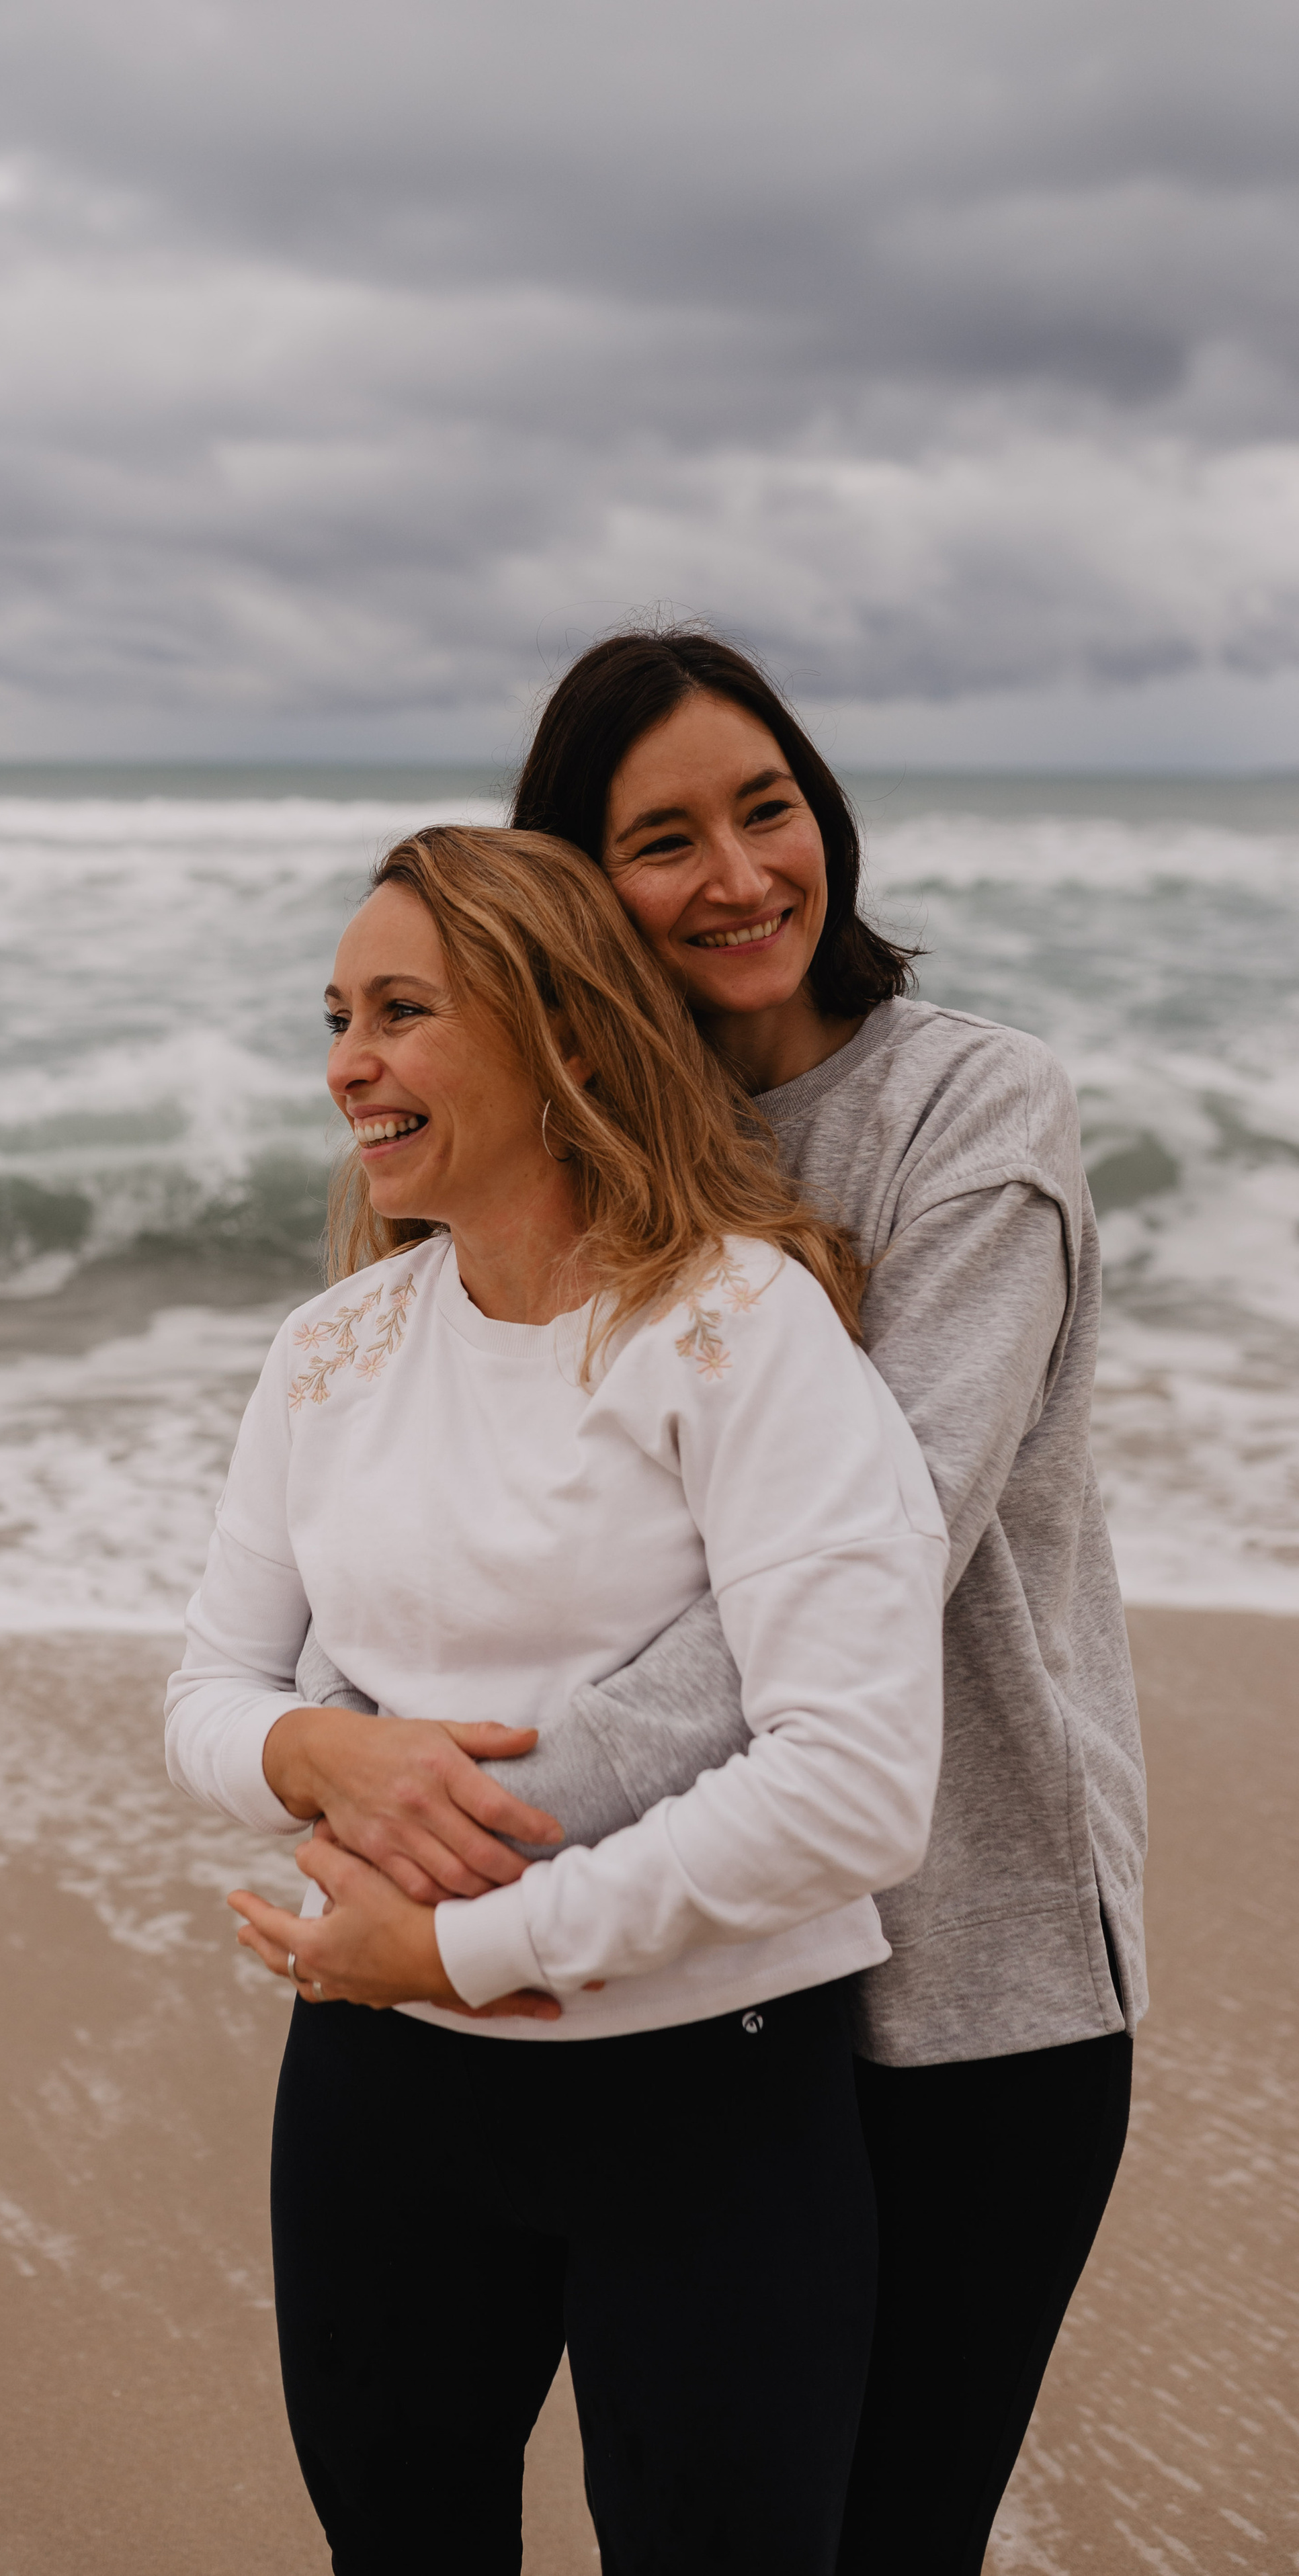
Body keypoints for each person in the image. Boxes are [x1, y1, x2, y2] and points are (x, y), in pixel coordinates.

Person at [165, 824, 949, 2575]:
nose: (347, 1060)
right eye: (336, 1014)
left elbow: (852, 1785)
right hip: (377, 2093)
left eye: (402, 1011)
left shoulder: (739, 1329)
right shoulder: (331, 1352)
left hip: (713, 2102)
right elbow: (209, 1690)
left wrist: (461, 1948)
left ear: (571, 1038)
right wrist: (317, 1748)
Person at [506, 628, 1148, 2575]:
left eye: (765, 806)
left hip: (976, 1981)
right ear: (577, 885)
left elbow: (875, 1556)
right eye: (662, 839)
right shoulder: (597, 1154)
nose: (740, 873)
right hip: (696, 1969)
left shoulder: (973, 1114)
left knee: (885, 2538)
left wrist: (508, 1795)